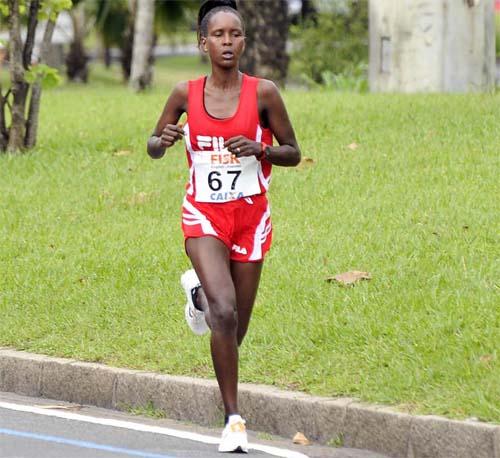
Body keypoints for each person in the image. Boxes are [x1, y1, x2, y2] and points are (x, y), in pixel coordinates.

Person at [147, 0, 301, 452]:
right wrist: (165, 139)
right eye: (218, 35)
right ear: (203, 42)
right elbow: (153, 146)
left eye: (235, 34)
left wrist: (262, 149)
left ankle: (198, 297)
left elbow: (293, 151)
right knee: (226, 311)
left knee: (236, 327)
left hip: (250, 217)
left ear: (244, 41)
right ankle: (233, 419)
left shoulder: (264, 94)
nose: (227, 42)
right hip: (204, 215)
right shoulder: (184, 94)